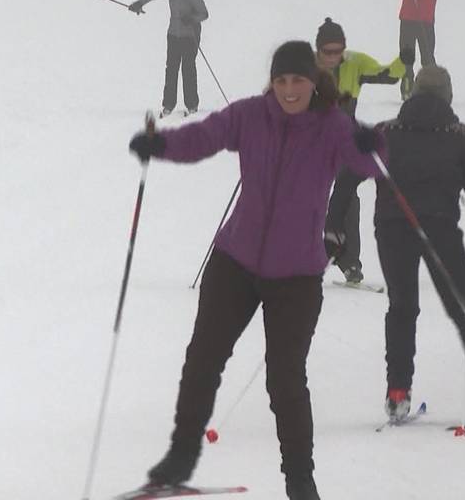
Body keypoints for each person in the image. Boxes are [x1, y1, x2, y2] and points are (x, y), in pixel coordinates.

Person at [128, 41, 384, 500]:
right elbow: (202, 137)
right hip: (236, 260)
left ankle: (300, 482)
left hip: (297, 275)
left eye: (298, 81)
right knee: (203, 359)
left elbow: (372, 164)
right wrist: (160, 143)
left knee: (285, 380)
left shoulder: (332, 127)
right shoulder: (250, 115)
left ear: (312, 81)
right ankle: (180, 457)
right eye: (282, 80)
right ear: (273, 81)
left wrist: (372, 140)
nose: (289, 90)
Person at [326, 67, 465, 422]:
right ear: (448, 95)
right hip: (440, 229)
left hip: (391, 229)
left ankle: (397, 394)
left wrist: (334, 229)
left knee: (402, 308)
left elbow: (347, 178)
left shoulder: (384, 133)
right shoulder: (463, 136)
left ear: (413, 94)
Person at [315, 17, 411, 283]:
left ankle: (349, 262)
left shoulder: (354, 63)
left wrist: (404, 60)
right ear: (318, 50)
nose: (333, 57)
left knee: (347, 198)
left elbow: (387, 75)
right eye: (327, 52)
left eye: (338, 51)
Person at [129, 0, 209, 118]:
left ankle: (192, 105)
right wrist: (139, 3)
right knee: (171, 70)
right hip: (173, 36)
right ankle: (168, 105)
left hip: (189, 37)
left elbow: (204, 14)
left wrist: (191, 19)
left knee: (188, 70)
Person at [392, 0, 441, 100]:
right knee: (407, 58)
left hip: (425, 20)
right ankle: (407, 90)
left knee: (427, 58)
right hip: (407, 19)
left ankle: (432, 90)